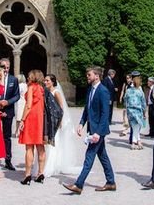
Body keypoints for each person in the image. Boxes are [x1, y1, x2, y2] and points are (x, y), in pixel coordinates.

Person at [63, 66, 116, 194]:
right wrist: (81, 123)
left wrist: (98, 132)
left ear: (97, 76)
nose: (87, 76)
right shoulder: (90, 90)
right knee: (103, 156)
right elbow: (88, 108)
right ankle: (111, 182)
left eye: (89, 75)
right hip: (92, 128)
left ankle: (79, 185)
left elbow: (105, 114)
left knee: (89, 156)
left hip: (98, 130)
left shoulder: (103, 91)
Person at [43, 74, 82, 177]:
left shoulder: (56, 92)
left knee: (54, 143)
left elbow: (61, 108)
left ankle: (52, 166)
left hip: (55, 122)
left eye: (47, 81)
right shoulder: (46, 92)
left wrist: (60, 121)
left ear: (52, 82)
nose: (45, 82)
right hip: (48, 121)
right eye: (45, 81)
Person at [18, 69, 46, 184]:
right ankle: (40, 173)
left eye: (30, 76)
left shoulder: (31, 87)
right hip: (40, 119)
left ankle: (27, 175)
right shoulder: (42, 88)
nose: (28, 77)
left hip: (31, 119)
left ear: (33, 77)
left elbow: (28, 105)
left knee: (29, 148)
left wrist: (22, 119)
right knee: (41, 147)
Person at [0, 58, 20, 171]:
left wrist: (7, 102)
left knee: (7, 137)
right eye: (3, 67)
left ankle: (8, 160)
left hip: (8, 111)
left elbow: (17, 95)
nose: (5, 70)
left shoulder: (13, 80)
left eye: (7, 67)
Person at [124, 71, 146, 149]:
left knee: (134, 127)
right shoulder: (140, 90)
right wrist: (144, 113)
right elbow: (143, 102)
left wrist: (126, 109)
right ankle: (134, 142)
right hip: (138, 111)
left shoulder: (128, 89)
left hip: (130, 111)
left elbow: (125, 100)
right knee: (136, 127)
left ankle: (137, 142)